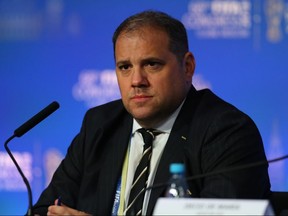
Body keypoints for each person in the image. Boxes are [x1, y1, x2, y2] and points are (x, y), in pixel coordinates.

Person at [33, 10, 271, 216]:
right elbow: (45, 208)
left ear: (187, 67)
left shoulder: (227, 132)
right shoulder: (100, 125)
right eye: (125, 67)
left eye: (152, 64)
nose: (137, 80)